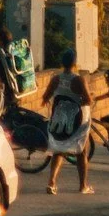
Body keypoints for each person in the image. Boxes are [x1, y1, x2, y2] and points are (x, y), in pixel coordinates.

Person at [43, 56, 92, 196]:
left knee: (58, 150)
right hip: (78, 120)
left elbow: (46, 97)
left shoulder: (55, 79)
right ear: (74, 63)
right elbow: (88, 100)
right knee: (82, 152)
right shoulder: (79, 79)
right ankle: (83, 186)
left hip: (59, 119)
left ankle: (51, 182)